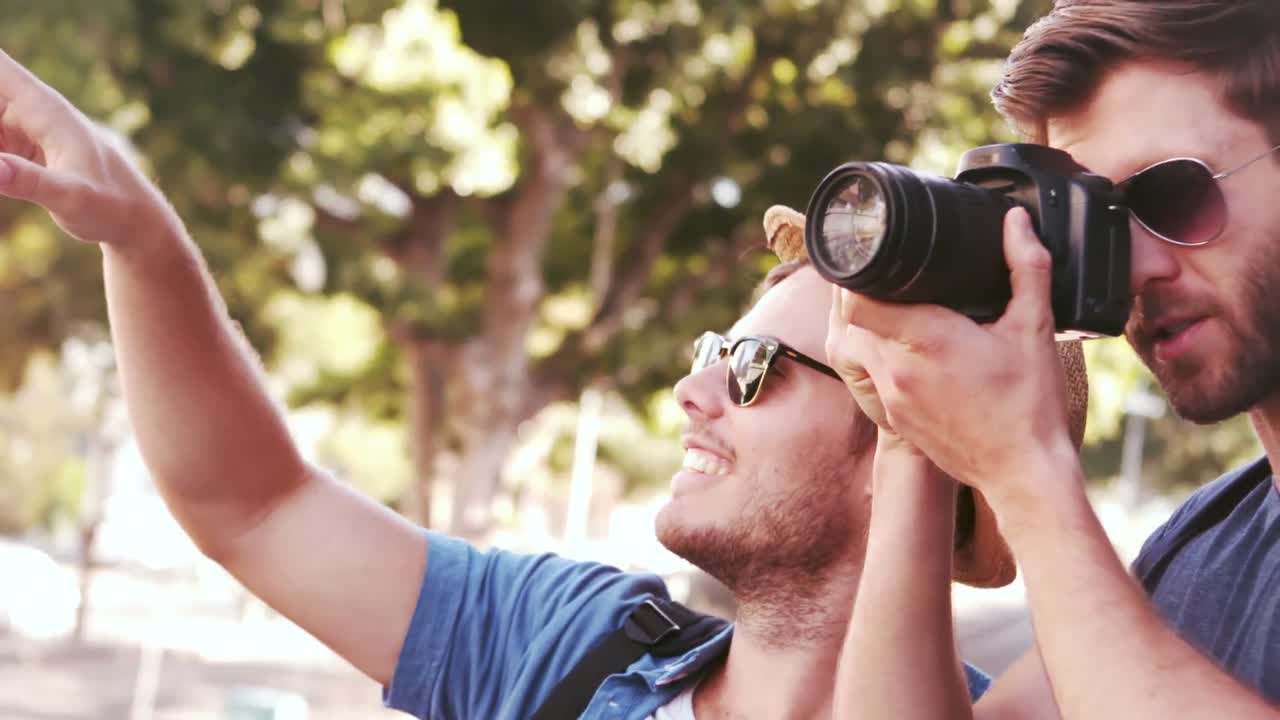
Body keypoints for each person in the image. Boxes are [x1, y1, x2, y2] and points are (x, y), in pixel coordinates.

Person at [0, 50, 1010, 719]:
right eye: (709, 350)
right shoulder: (570, 643)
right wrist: (138, 236)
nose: (690, 394)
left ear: (903, 435)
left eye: (751, 370)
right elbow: (254, 504)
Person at [826, 1, 1280, 719]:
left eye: (1174, 196)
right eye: (1098, 226)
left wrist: (1026, 470)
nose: (1134, 269)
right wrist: (910, 439)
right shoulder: (1198, 548)